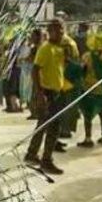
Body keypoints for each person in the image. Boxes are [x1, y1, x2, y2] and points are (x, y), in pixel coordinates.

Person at [24, 20, 72, 178]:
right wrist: (40, 94)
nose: (60, 33)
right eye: (57, 30)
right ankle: (46, 160)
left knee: (43, 124)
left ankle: (32, 154)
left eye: (62, 30)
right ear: (50, 31)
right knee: (52, 128)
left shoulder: (59, 48)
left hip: (57, 91)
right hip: (47, 93)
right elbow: (35, 70)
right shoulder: (45, 48)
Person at [76, 34, 102, 148]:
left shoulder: (87, 56)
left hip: (90, 89)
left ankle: (88, 138)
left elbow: (82, 70)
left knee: (87, 114)